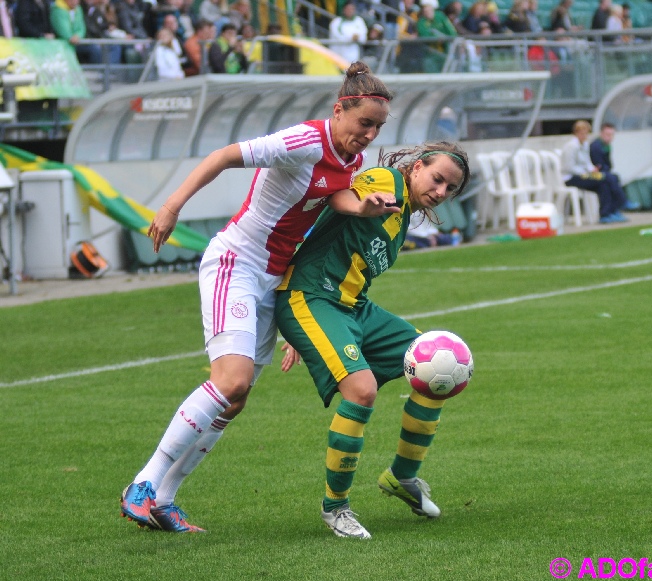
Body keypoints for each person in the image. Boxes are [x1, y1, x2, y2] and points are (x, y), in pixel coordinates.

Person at [119, 62, 394, 533]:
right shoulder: (305, 141)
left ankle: (164, 501)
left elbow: (336, 198)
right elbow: (224, 155)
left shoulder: (351, 160)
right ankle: (142, 484)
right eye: (364, 122)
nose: (369, 134)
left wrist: (363, 206)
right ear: (340, 110)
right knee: (230, 380)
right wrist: (170, 207)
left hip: (274, 279)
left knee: (236, 397)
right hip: (237, 263)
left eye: (378, 127)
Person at [274, 141, 471, 539]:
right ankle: (336, 508)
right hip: (312, 297)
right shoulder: (386, 182)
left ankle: (402, 476)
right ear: (416, 168)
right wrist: (362, 203)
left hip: (351, 307)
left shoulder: (404, 218)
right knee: (361, 391)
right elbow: (339, 198)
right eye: (437, 179)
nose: (441, 192)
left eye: (450, 189)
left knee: (437, 364)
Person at [560, 119, 629, 223]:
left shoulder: (585, 145)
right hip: (572, 178)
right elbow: (569, 167)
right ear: (576, 133)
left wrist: (592, 169)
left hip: (584, 175)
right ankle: (622, 201)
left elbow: (587, 162)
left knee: (604, 183)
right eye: (581, 133)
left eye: (586, 133)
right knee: (606, 177)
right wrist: (586, 173)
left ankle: (605, 214)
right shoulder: (571, 147)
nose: (584, 135)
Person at [589, 122, 639, 210]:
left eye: (611, 135)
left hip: (602, 173)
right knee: (610, 179)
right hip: (592, 174)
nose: (610, 137)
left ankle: (612, 210)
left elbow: (608, 165)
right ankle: (622, 202)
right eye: (607, 134)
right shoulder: (596, 146)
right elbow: (599, 165)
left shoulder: (606, 146)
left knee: (613, 178)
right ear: (601, 133)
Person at [51, 0, 103, 64]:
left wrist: (78, 36)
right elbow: (61, 27)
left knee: (95, 49)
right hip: (63, 42)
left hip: (77, 41)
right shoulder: (58, 9)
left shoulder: (78, 9)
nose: (76, 2)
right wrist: (70, 37)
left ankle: (96, 72)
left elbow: (81, 27)